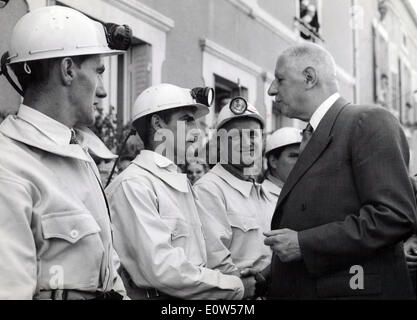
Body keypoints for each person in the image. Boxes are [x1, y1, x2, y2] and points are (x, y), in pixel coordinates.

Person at [265, 43, 416, 299]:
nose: (271, 90)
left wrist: (305, 244)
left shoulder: (367, 121)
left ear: (309, 78)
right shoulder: (314, 134)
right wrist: (266, 276)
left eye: (280, 79)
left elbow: (394, 215)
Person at [0, 6, 129, 299]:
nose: (103, 92)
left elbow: (109, 270)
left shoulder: (81, 155)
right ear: (68, 70)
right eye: (99, 72)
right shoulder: (7, 167)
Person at [106, 84, 254, 300]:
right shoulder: (134, 185)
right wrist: (234, 286)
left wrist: (235, 277)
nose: (197, 131)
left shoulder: (178, 184)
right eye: (187, 120)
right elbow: (162, 269)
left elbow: (199, 260)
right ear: (158, 123)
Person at [194, 100, 276, 282]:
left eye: (253, 135)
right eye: (236, 136)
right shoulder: (209, 190)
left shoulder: (260, 190)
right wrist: (258, 281)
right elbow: (216, 266)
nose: (247, 143)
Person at [262, 127, 302, 203]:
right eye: (294, 156)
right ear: (273, 161)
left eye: (303, 156)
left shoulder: (301, 192)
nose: (301, 161)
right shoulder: (261, 197)